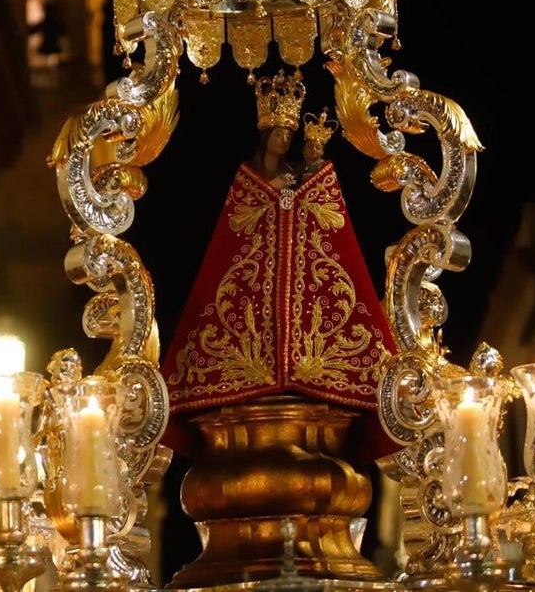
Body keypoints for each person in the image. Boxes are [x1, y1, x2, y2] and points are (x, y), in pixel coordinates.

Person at [159, 74, 400, 464]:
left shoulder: (294, 178)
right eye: (278, 135)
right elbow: (235, 236)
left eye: (289, 135)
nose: (284, 141)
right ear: (265, 135)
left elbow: (318, 215)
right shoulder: (247, 183)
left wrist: (311, 172)